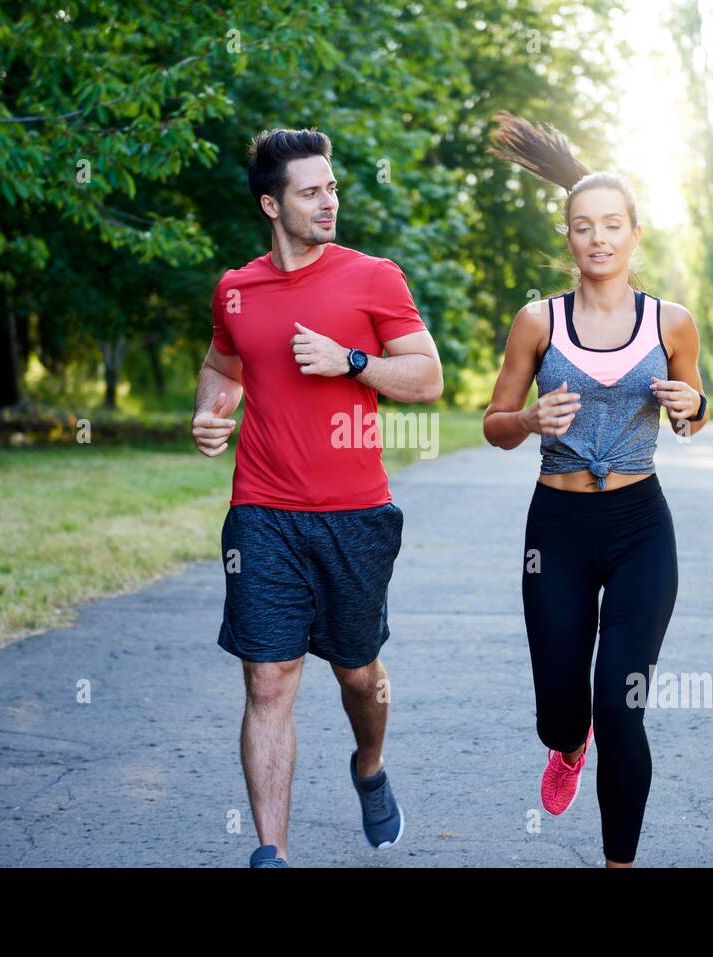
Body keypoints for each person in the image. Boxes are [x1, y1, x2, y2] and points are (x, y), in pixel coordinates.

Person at [192, 127, 444, 867]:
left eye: (331, 187)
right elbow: (222, 362)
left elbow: (426, 379)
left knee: (359, 674)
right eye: (311, 191)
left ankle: (368, 765)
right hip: (262, 512)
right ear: (272, 204)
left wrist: (352, 361)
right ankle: (270, 853)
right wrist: (211, 411)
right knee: (268, 680)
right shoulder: (235, 289)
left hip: (355, 516)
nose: (328, 200)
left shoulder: (373, 278)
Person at [481, 111, 709, 867]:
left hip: (642, 524)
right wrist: (528, 417)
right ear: (569, 238)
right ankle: (564, 743)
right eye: (584, 226)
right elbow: (493, 423)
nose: (599, 238)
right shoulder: (536, 321)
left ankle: (619, 862)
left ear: (636, 235)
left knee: (622, 702)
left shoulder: (671, 322)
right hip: (558, 529)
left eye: (613, 225)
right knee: (562, 709)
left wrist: (690, 406)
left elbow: (695, 414)